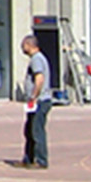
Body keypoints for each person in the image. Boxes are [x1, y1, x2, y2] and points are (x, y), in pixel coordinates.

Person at [20, 34, 53, 170]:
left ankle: (41, 160)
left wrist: (34, 96)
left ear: (29, 45)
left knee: (36, 131)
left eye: (23, 45)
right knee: (29, 130)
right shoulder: (37, 58)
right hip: (36, 101)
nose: (22, 48)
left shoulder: (37, 59)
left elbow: (39, 78)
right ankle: (28, 158)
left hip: (40, 101)